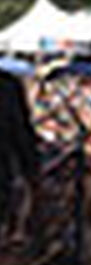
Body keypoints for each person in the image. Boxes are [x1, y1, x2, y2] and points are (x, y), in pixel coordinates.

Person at [0, 70, 39, 244]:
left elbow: (21, 132)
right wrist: (31, 169)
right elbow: (22, 133)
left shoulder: (7, 85)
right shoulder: (7, 85)